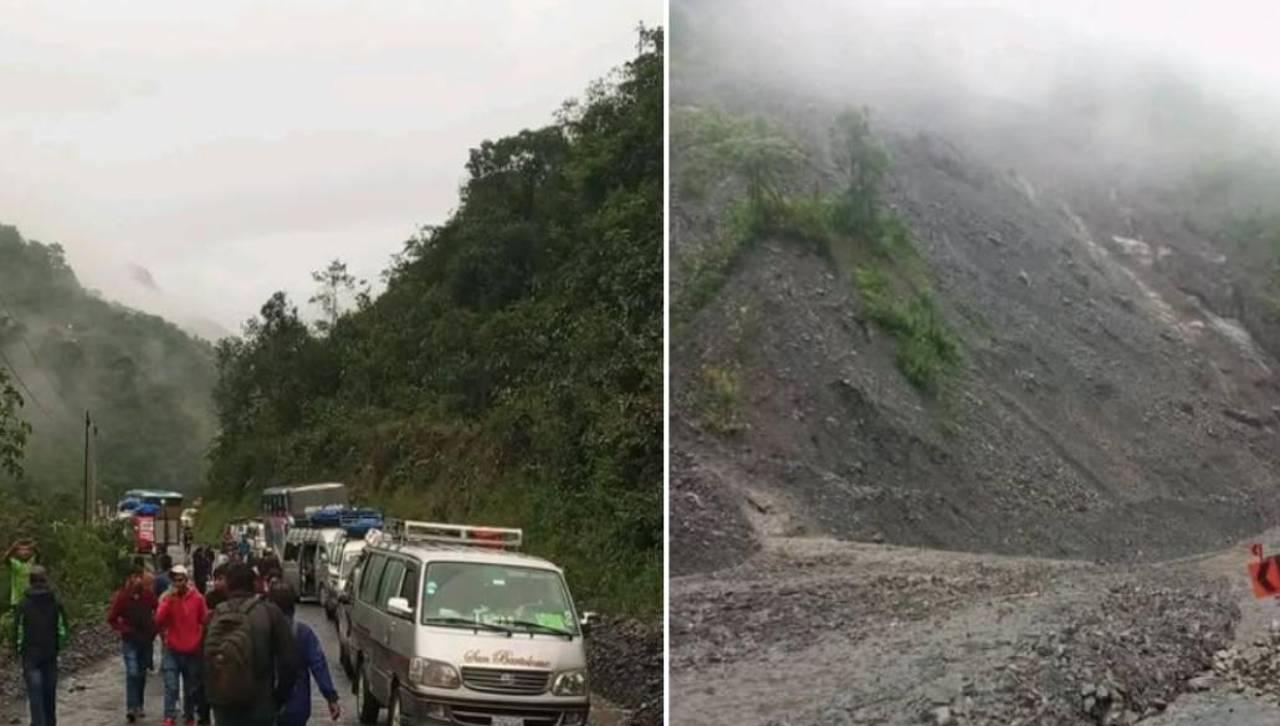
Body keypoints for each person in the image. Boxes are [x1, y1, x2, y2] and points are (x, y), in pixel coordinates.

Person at [204, 564, 298, 726]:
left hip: (223, 704)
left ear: (228, 585)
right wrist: (278, 699)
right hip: (259, 704)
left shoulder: (214, 615)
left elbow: (203, 661)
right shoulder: (270, 613)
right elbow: (288, 663)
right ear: (254, 584)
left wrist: (208, 701)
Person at [268, 583, 341, 725]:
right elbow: (319, 665)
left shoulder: (262, 630)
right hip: (297, 704)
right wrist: (331, 697)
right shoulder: (303, 633)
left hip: (267, 703)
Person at [12, 566, 67, 726]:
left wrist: (18, 649)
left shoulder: (23, 603)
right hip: (50, 652)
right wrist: (59, 646)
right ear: (45, 580)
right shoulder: (55, 601)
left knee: (35, 692)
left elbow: (19, 629)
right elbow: (62, 627)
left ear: (30, 581)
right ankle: (50, 722)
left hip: (30, 654)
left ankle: (38, 722)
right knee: (49, 691)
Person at [154, 564, 207, 726]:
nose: (178, 583)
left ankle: (189, 716)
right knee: (171, 685)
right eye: (175, 580)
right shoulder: (167, 598)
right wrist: (169, 601)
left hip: (192, 649)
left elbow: (204, 620)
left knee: (191, 688)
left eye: (181, 579)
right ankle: (169, 716)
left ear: (186, 580)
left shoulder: (197, 598)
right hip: (173, 649)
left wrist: (200, 639)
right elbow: (158, 620)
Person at [107, 567, 159, 723]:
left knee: (142, 673)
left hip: (145, 640)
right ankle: (131, 707)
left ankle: (139, 705)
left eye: (140, 577)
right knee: (132, 672)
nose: (137, 580)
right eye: (135, 577)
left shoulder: (148, 596)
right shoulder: (122, 597)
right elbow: (112, 618)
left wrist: (154, 629)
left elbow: (159, 611)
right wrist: (124, 629)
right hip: (130, 640)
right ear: (130, 578)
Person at [4, 539, 39, 611]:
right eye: (21, 550)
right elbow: (6, 559)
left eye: (27, 550)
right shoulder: (15, 563)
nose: (24, 552)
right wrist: (13, 548)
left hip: (30, 598)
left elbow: (38, 555)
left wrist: (34, 547)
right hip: (17, 600)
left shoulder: (30, 563)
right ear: (17, 552)